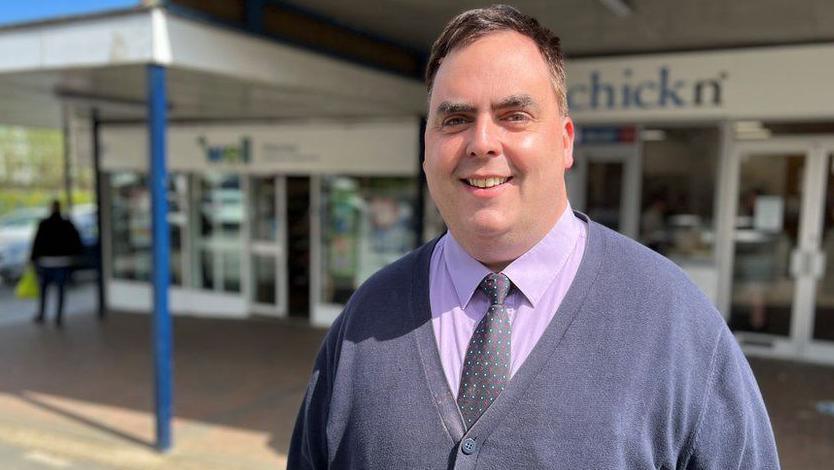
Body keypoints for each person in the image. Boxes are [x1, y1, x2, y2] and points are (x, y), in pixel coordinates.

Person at [289, 5, 779, 469]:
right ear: (426, 147)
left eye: (513, 116)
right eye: (455, 119)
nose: (482, 142)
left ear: (565, 141)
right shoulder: (367, 316)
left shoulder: (677, 323)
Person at [29, 200, 83, 327]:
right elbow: (77, 242)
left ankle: (42, 314)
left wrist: (33, 259)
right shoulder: (67, 224)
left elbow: (36, 243)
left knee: (44, 291)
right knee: (60, 290)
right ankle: (58, 318)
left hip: (46, 263)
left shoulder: (44, 224)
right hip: (62, 263)